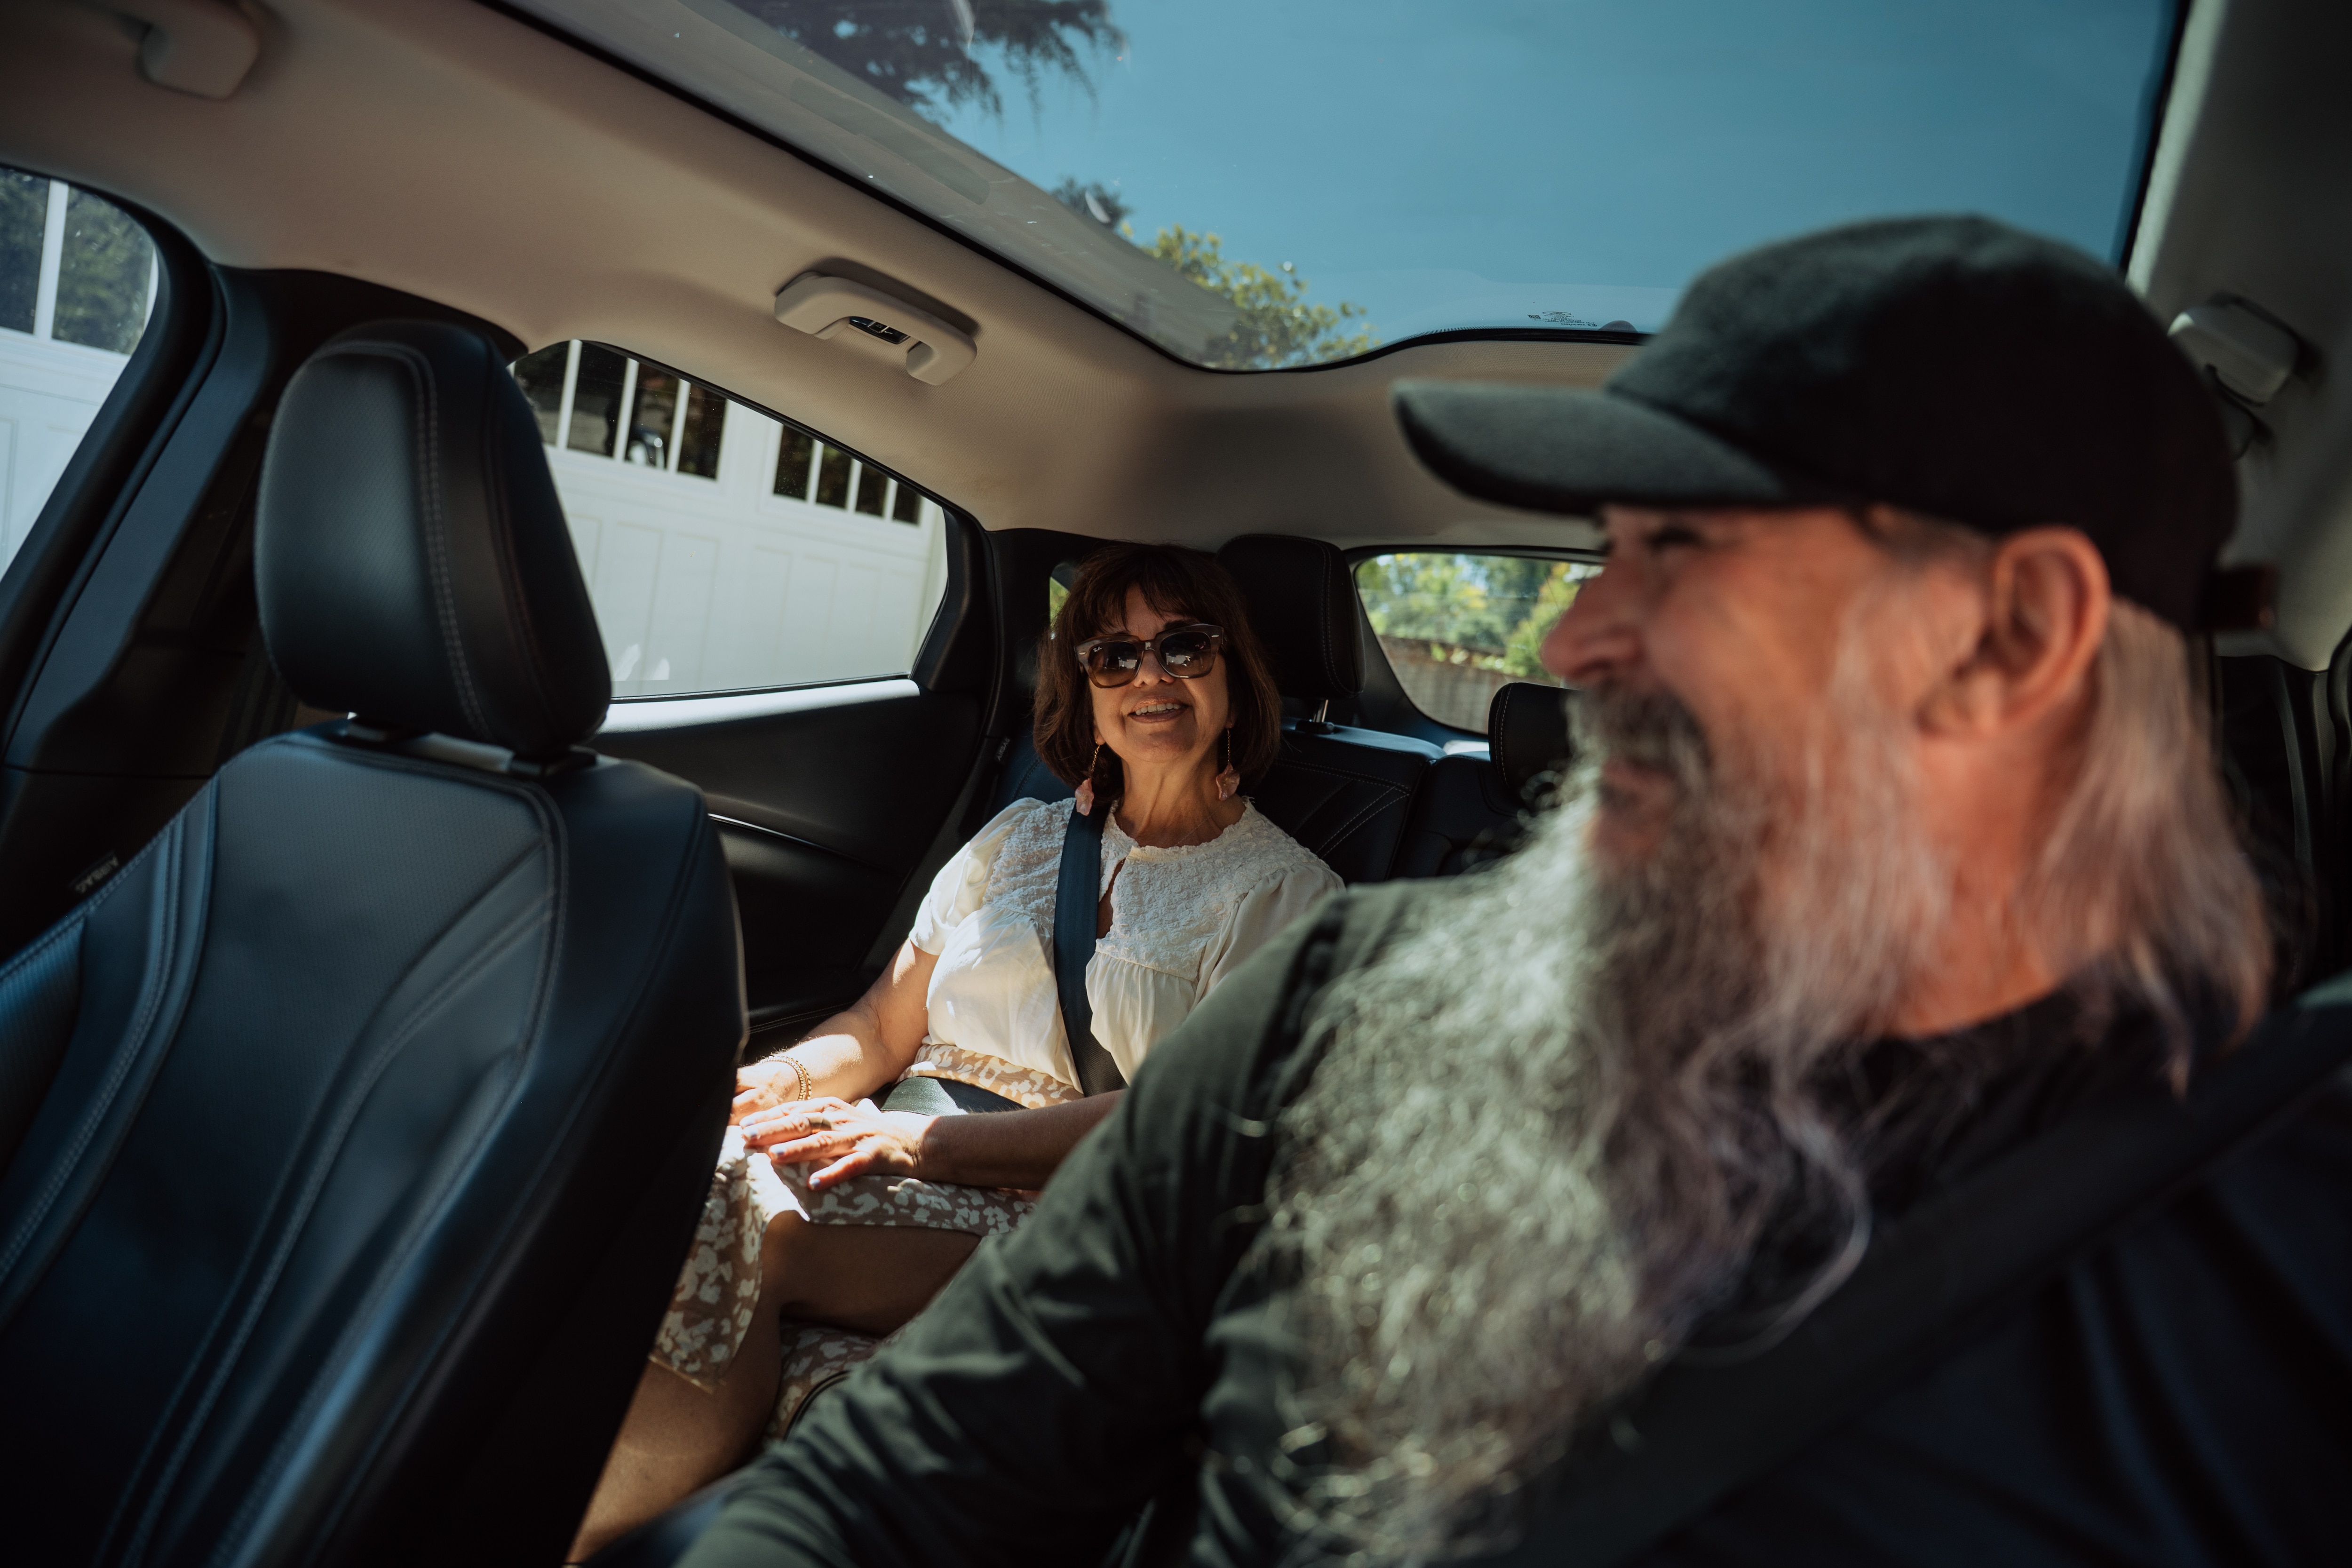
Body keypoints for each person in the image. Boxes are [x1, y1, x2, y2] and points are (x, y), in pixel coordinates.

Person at [672, 216, 2352, 1567]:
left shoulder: (2283, 1290)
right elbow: (892, 1495)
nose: (1573, 644)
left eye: (1673, 553)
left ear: (2009, 637)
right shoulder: (1340, 1019)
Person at [567, 544, 1342, 1559]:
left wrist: (917, 1147)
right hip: (906, 1155)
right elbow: (884, 1024)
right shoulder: (1018, 836)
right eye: (1114, 656)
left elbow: (1179, 1125)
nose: (1149, 676)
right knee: (674, 1165)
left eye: (1183, 647)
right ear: (1087, 689)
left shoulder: (1289, 893)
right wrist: (770, 1086)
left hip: (1081, 1220)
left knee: (743, 1205)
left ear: (1233, 674)